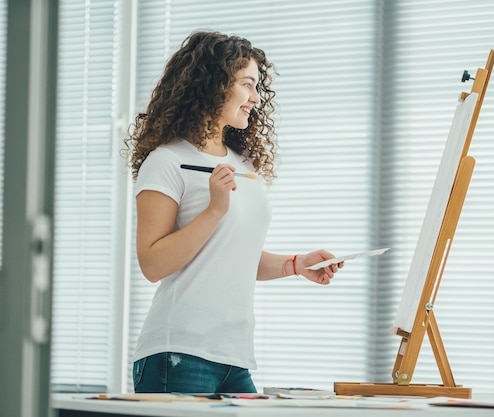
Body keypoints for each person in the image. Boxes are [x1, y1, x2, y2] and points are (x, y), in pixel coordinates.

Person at [124, 31, 343, 394]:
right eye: (247, 84)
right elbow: (152, 264)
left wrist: (297, 264)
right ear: (212, 84)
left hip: (234, 357)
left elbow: (230, 257)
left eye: (257, 87)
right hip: (177, 353)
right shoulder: (167, 161)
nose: (256, 98)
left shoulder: (243, 165)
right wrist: (214, 210)